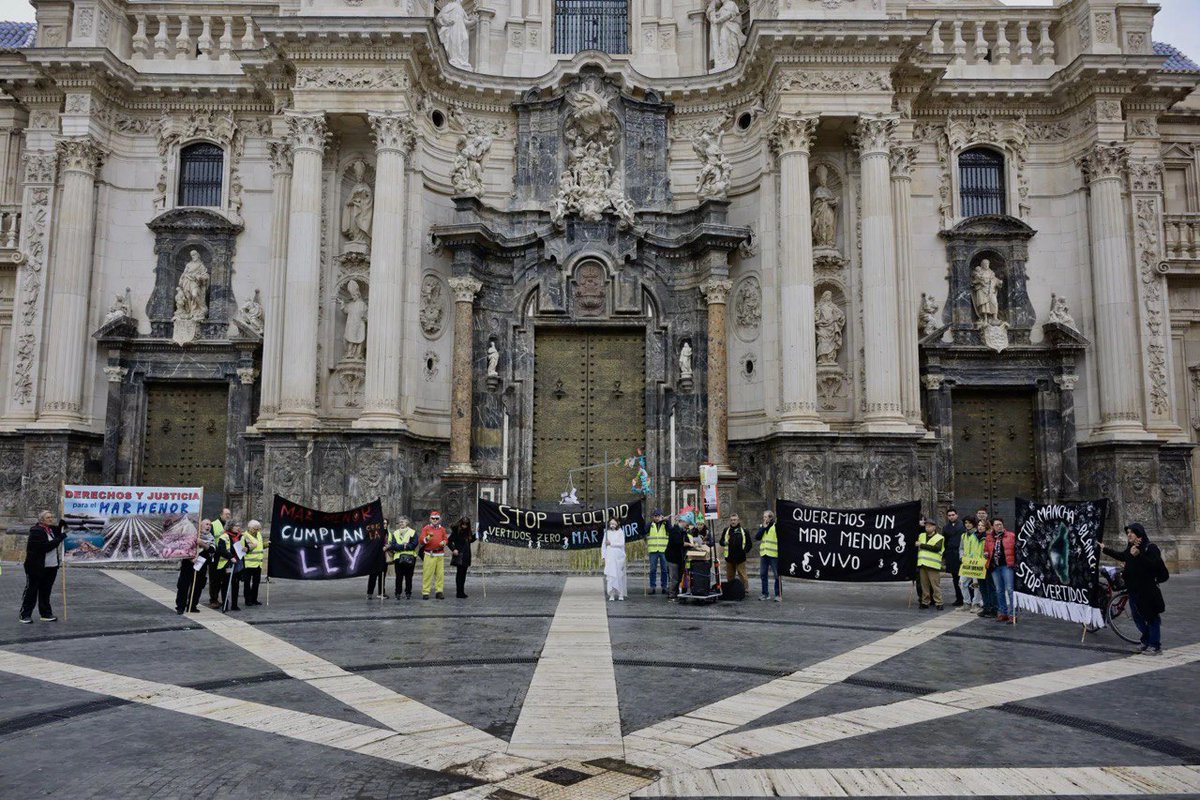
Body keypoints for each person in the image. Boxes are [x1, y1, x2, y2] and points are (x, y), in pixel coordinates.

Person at [1103, 523, 1167, 654]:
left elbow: (1154, 566)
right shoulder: (1131, 548)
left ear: (1139, 534)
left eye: (1132, 532)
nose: (1129, 535)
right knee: (1138, 618)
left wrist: (1139, 555)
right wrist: (1105, 549)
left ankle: (1155, 645)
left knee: (1151, 618)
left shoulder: (1151, 548)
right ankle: (1146, 640)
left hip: (1147, 590)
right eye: (1127, 533)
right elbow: (1122, 556)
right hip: (1133, 590)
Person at [19, 511, 65, 623]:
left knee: (46, 591)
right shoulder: (36, 531)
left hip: (51, 566)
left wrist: (63, 522)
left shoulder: (51, 530)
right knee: (32, 591)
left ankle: (45, 613)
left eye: (51, 517)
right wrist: (60, 538)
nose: (51, 519)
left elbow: (61, 529)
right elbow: (45, 547)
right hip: (36, 567)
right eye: (48, 517)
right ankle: (25, 614)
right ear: (42, 520)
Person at [175, 519, 213, 614]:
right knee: (183, 585)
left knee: (198, 586)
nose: (208, 526)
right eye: (206, 524)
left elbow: (212, 550)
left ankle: (192, 605)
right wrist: (190, 558)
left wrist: (202, 544)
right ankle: (180, 606)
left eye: (210, 525)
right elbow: (183, 548)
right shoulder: (191, 534)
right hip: (188, 564)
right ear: (200, 526)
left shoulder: (210, 538)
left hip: (201, 565)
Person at [987, 517, 1017, 623]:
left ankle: (1012, 614)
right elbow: (986, 550)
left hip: (1007, 565)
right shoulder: (989, 538)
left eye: (1000, 524)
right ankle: (1002, 612)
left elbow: (1017, 549)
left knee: (1010, 589)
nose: (999, 526)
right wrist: (986, 554)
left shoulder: (1011, 536)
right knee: (999, 590)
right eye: (996, 525)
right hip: (995, 566)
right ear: (992, 526)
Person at [916, 518, 945, 610]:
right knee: (924, 585)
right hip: (922, 564)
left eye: (929, 526)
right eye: (926, 526)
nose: (927, 528)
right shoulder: (921, 535)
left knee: (935, 585)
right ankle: (925, 602)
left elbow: (936, 548)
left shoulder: (940, 537)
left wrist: (921, 545)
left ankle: (939, 602)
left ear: (934, 527)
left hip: (933, 565)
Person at [420, 511, 449, 600]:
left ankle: (439, 591)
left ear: (439, 519)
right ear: (430, 519)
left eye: (436, 518)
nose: (435, 520)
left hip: (440, 554)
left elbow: (445, 539)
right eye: (433, 518)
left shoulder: (442, 529)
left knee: (440, 574)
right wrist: (428, 538)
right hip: (430, 553)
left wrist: (444, 542)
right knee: (427, 573)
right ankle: (425, 592)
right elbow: (421, 541)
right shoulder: (426, 528)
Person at [387, 516, 418, 599]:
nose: (401, 523)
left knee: (409, 576)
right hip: (398, 557)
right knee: (399, 577)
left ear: (407, 523)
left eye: (403, 522)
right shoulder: (396, 533)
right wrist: (403, 546)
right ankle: (398, 592)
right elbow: (393, 545)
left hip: (410, 556)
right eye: (400, 522)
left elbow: (414, 544)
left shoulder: (412, 532)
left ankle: (408, 592)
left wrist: (404, 546)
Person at [215, 521, 242, 612]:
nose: (238, 527)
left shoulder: (240, 536)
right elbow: (220, 550)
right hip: (227, 564)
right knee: (226, 584)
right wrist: (230, 557)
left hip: (238, 563)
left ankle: (234, 604)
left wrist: (247, 548)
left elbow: (245, 547)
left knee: (236, 584)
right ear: (230, 527)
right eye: (236, 525)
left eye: (238, 526)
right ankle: (225, 603)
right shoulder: (224, 537)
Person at [974, 507, 997, 618]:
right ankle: (986, 607)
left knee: (990, 587)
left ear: (987, 527)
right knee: (982, 587)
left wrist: (988, 554)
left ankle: (994, 608)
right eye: (978, 525)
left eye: (982, 526)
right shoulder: (975, 537)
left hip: (988, 565)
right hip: (978, 565)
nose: (980, 527)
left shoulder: (990, 537)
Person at [959, 517, 985, 611]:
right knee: (962, 583)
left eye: (970, 523)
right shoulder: (963, 535)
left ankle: (976, 603)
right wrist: (961, 557)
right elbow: (961, 548)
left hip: (977, 563)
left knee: (976, 584)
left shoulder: (978, 535)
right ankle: (967, 602)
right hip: (966, 563)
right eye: (966, 523)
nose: (968, 524)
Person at [207, 508, 232, 608]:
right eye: (226, 514)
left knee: (224, 579)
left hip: (226, 557)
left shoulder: (229, 526)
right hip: (216, 556)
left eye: (229, 514)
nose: (228, 516)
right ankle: (213, 599)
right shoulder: (214, 524)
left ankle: (223, 599)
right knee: (214, 579)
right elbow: (211, 539)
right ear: (221, 514)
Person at [755, 510, 781, 602]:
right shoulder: (762, 526)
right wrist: (763, 528)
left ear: (771, 518)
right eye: (763, 517)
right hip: (764, 554)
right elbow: (757, 537)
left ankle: (778, 594)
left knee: (777, 576)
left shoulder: (776, 527)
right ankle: (765, 594)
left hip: (774, 555)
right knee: (763, 574)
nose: (764, 518)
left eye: (766, 517)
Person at [720, 513, 751, 590]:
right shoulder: (726, 530)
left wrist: (744, 551)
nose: (733, 522)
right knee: (730, 576)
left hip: (740, 558)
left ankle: (745, 589)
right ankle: (731, 589)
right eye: (731, 520)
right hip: (729, 558)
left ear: (738, 520)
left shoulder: (744, 531)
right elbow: (721, 541)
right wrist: (724, 542)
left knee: (743, 575)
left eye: (734, 520)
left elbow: (749, 544)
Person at [942, 508, 966, 607]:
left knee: (965, 578)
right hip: (951, 554)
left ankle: (968, 598)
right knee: (955, 578)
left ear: (957, 515)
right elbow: (945, 541)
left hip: (961, 553)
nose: (951, 517)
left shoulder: (963, 525)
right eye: (949, 515)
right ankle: (959, 598)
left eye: (953, 515)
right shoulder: (945, 527)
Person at [450, 516, 476, 599]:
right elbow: (449, 541)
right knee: (459, 574)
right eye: (463, 524)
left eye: (466, 524)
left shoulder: (468, 532)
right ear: (461, 524)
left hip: (466, 555)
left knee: (463, 574)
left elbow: (470, 540)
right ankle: (459, 592)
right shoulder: (456, 531)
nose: (464, 526)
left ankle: (462, 591)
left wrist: (477, 535)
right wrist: (453, 549)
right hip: (459, 555)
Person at [602, 517, 627, 601]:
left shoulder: (620, 532)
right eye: (611, 523)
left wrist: (611, 543)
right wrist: (603, 556)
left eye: (614, 523)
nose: (612, 525)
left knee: (619, 575)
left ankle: (620, 593)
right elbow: (603, 545)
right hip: (609, 556)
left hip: (618, 556)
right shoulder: (607, 533)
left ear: (617, 524)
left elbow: (621, 543)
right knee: (611, 575)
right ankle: (611, 594)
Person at [665, 512, 689, 600]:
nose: (688, 525)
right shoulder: (675, 530)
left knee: (678, 577)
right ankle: (671, 594)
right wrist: (690, 544)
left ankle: (675, 592)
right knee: (674, 578)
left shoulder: (682, 531)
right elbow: (678, 542)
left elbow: (686, 540)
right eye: (687, 523)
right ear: (682, 521)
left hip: (679, 558)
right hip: (672, 558)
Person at [646, 509, 670, 595]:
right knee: (652, 569)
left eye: (659, 516)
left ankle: (664, 586)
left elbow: (670, 530)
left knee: (664, 569)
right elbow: (644, 531)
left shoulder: (665, 524)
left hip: (663, 550)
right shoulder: (650, 524)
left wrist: (667, 521)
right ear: (653, 517)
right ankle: (652, 587)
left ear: (662, 516)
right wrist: (648, 524)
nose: (657, 518)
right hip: (653, 550)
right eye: (655, 516)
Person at [241, 520, 265, 606]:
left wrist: (267, 544)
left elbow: (260, 546)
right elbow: (243, 550)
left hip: (258, 564)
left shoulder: (259, 534)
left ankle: (254, 599)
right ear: (250, 528)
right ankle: (248, 600)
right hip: (248, 564)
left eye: (259, 529)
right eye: (255, 529)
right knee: (247, 583)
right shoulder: (244, 536)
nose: (257, 530)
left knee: (256, 583)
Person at [367, 518, 389, 599]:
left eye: (386, 523)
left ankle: (381, 592)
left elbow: (389, 542)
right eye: (383, 523)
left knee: (382, 576)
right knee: (373, 576)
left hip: (384, 557)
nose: (385, 525)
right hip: (375, 558)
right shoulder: (375, 533)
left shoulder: (387, 533)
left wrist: (388, 546)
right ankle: (369, 593)